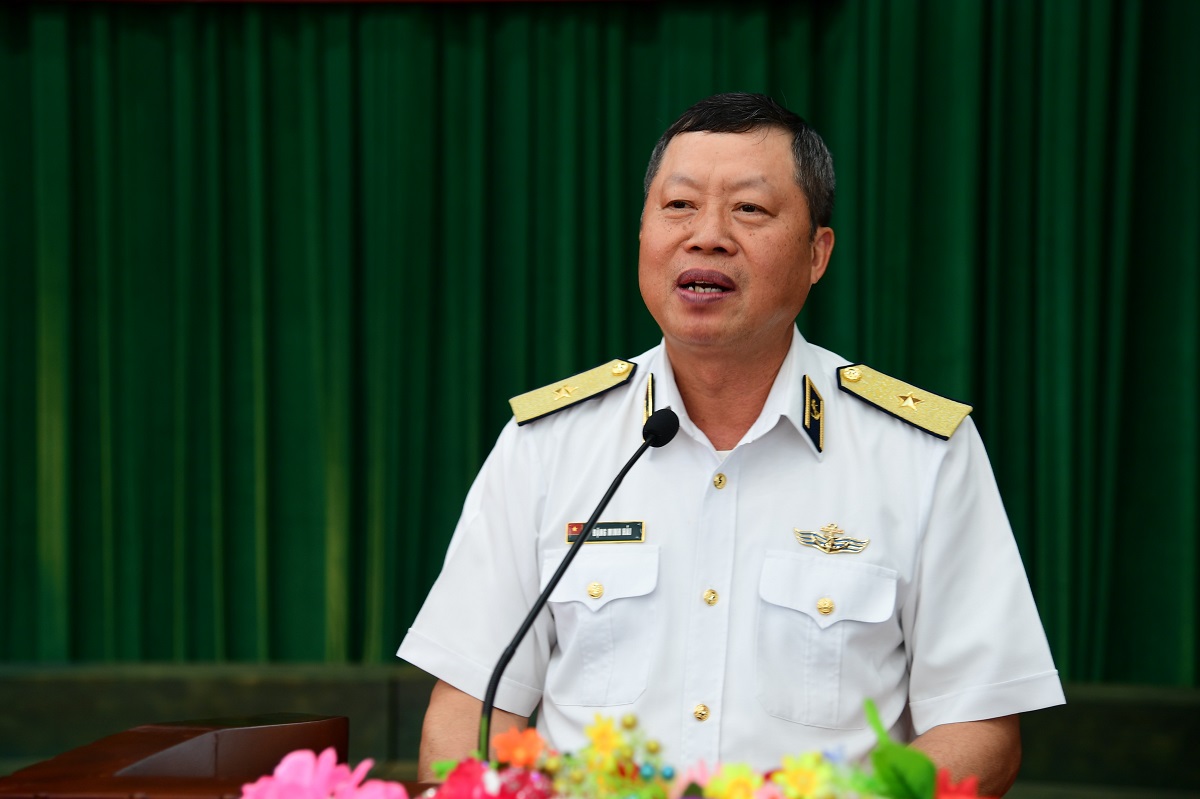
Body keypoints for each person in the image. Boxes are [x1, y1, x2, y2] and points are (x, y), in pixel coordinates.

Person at [398, 93, 1064, 795]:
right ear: (642, 235)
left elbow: (979, 728)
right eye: (679, 206)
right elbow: (469, 712)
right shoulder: (547, 445)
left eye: (749, 209)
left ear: (817, 254)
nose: (707, 235)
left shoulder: (920, 454)